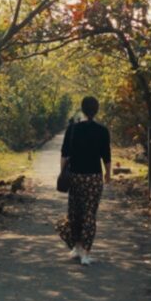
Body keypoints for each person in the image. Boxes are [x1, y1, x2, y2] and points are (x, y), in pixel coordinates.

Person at [56, 96, 111, 266]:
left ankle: (77, 247)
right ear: (96, 110)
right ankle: (86, 254)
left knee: (75, 212)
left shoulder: (72, 129)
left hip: (75, 176)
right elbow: (106, 156)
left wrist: (62, 173)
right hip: (94, 178)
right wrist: (108, 174)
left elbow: (64, 154)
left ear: (82, 109)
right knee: (89, 214)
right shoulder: (102, 131)